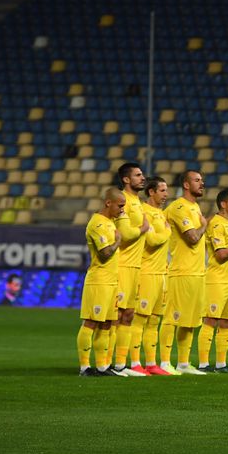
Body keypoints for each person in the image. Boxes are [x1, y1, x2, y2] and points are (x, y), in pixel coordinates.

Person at [77, 187, 126, 376]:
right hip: (99, 281)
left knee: (106, 324)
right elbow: (104, 254)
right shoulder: (97, 224)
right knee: (90, 323)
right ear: (108, 203)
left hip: (111, 281)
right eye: (120, 206)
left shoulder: (109, 222)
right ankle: (84, 367)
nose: (122, 210)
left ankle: (102, 366)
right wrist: (117, 241)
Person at [164, 170, 209, 375]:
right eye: (197, 180)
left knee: (191, 320)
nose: (202, 183)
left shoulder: (195, 206)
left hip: (197, 271)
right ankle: (164, 362)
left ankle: (183, 363)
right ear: (185, 184)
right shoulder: (179, 207)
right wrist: (204, 226)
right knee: (172, 319)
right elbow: (192, 237)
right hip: (181, 271)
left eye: (202, 180)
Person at [111, 162, 150, 377]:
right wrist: (143, 228)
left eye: (142, 175)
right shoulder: (122, 201)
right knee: (117, 315)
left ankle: (120, 364)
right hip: (123, 265)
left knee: (129, 315)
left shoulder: (138, 202)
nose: (142, 178)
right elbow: (125, 234)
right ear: (126, 179)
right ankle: (105, 363)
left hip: (137, 267)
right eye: (137, 175)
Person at [201, 189, 228, 373]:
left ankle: (220, 364)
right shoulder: (217, 224)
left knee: (227, 322)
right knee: (211, 320)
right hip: (217, 280)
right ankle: (203, 364)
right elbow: (220, 255)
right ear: (223, 204)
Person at [137, 177, 174, 375]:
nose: (166, 194)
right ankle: (133, 362)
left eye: (166, 190)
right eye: (162, 190)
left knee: (154, 321)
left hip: (161, 273)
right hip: (147, 272)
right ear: (151, 192)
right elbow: (151, 240)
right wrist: (168, 232)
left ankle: (151, 363)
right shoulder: (144, 212)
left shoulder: (160, 213)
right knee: (139, 319)